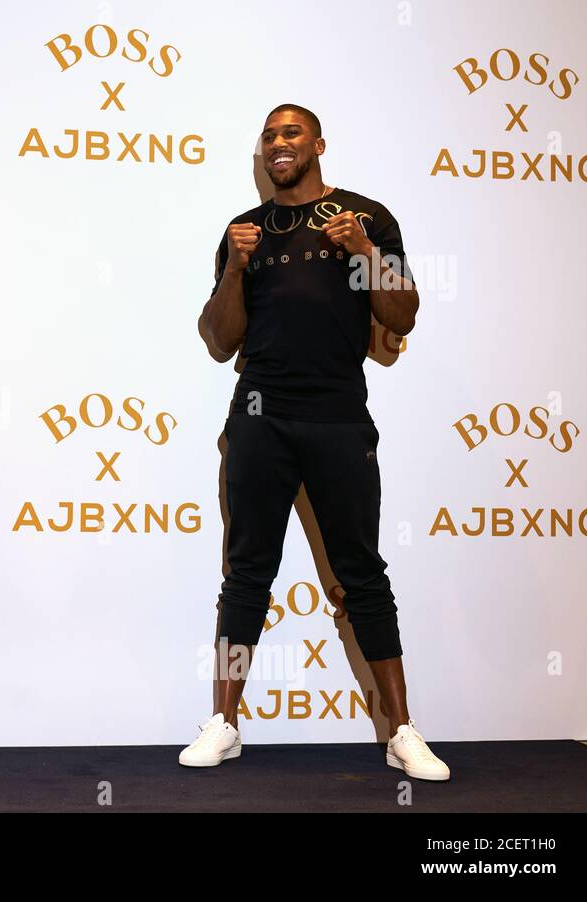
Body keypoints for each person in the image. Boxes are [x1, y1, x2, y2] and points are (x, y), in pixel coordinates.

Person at [182, 105, 450, 780]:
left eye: (291, 133)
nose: (278, 144)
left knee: (361, 575)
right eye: (269, 136)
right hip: (258, 418)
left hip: (337, 417)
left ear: (319, 144)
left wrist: (360, 250)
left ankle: (402, 732)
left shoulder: (365, 218)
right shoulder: (245, 232)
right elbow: (220, 337)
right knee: (246, 574)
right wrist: (236, 270)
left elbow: (402, 314)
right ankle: (224, 723)